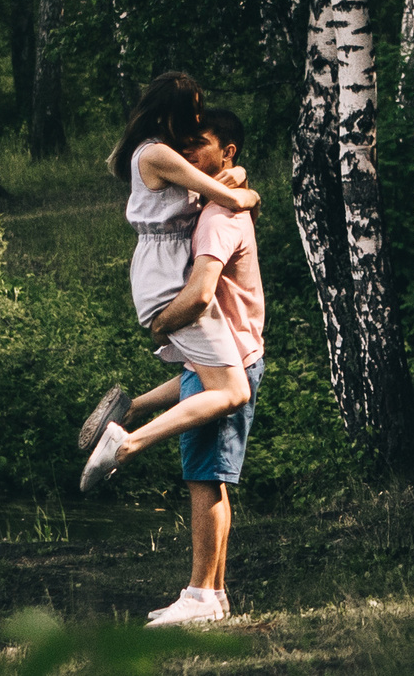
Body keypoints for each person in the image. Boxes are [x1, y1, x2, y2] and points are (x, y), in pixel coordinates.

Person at [79, 106, 265, 626]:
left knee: (205, 480)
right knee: (214, 479)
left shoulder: (215, 219)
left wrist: (162, 324)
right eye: (180, 145)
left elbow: (201, 295)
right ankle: (215, 594)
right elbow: (193, 371)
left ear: (226, 151)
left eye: (197, 144)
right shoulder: (213, 203)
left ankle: (200, 595)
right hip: (235, 352)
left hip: (234, 354)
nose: (186, 154)